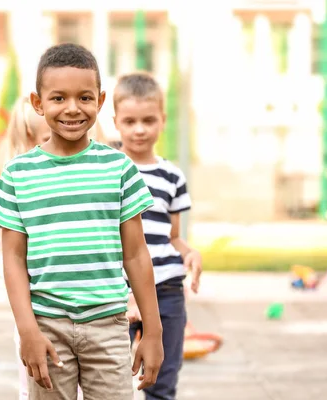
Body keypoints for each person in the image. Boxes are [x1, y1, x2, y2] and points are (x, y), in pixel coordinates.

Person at [0, 43, 164, 400]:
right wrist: (28, 331)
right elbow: (13, 260)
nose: (72, 108)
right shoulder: (17, 175)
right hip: (46, 327)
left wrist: (153, 332)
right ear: (39, 103)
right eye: (58, 98)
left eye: (84, 98)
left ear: (100, 102)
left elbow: (136, 255)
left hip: (109, 326)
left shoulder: (119, 169)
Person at [0, 95, 105, 400]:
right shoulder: (20, 186)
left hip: (94, 315)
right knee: (41, 384)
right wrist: (24, 280)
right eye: (45, 140)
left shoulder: (94, 183)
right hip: (40, 314)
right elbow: (0, 251)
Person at [113, 72, 203, 400]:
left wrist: (189, 253)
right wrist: (127, 293)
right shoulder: (107, 169)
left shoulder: (173, 177)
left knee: (162, 384)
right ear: (116, 122)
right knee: (109, 383)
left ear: (162, 120)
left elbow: (173, 235)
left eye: (148, 120)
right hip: (115, 291)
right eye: (130, 121)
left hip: (166, 291)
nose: (139, 129)